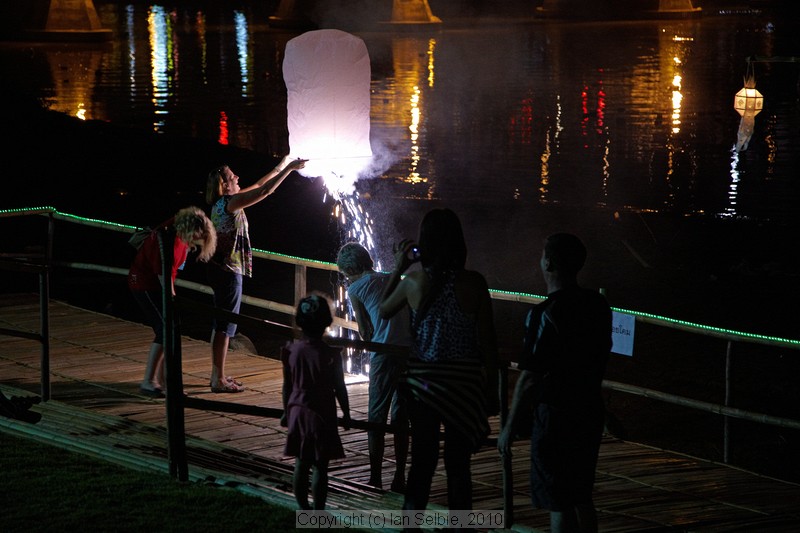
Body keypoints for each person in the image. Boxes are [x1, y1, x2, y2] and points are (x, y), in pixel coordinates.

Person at [379, 208, 499, 513]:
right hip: (464, 384)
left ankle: (410, 527)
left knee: (422, 463)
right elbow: (487, 342)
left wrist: (399, 266)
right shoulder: (476, 283)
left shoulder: (414, 281)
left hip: (424, 385)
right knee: (459, 467)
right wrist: (492, 389)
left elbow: (383, 310)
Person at [497, 233, 612, 533]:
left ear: (548, 262)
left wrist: (509, 426)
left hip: (556, 416)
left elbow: (530, 376)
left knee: (558, 499)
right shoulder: (598, 305)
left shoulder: (544, 313)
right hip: (589, 410)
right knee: (581, 495)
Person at [204, 156, 307, 393]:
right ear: (225, 185)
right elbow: (266, 191)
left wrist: (283, 163)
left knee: (223, 323)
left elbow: (261, 184)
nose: (238, 177)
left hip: (221, 268)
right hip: (228, 271)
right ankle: (217, 379)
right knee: (225, 325)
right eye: (233, 176)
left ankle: (217, 373)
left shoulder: (226, 202)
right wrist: (290, 170)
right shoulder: (229, 204)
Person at [336, 241, 411, 492]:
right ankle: (400, 476)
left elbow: (366, 332)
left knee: (376, 416)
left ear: (348, 270)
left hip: (383, 353)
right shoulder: (393, 277)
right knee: (402, 416)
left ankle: (375, 477)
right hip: (409, 352)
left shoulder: (355, 288)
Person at [128, 206, 217, 398]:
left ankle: (165, 382)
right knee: (165, 330)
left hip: (154, 282)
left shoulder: (176, 228)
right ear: (191, 230)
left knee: (169, 331)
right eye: (198, 237)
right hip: (144, 284)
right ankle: (149, 381)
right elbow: (164, 276)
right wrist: (173, 301)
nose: (196, 243)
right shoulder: (171, 242)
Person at [280, 293, 351, 510]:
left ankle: (303, 508)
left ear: (299, 322)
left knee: (301, 463)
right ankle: (318, 511)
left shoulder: (291, 351)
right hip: (323, 413)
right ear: (327, 323)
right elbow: (339, 387)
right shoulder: (331, 355)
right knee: (321, 466)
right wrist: (346, 414)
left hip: (298, 411)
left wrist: (286, 411)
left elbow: (288, 386)